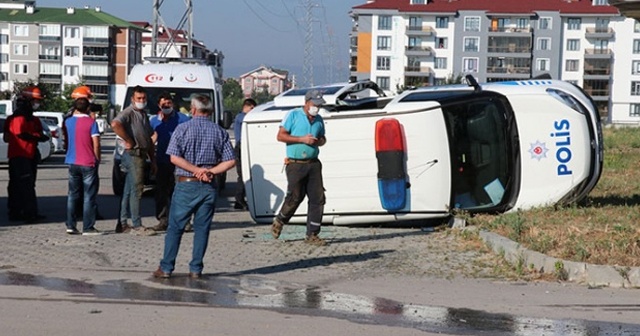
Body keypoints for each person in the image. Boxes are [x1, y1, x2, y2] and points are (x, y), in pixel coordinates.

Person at [153, 94, 235, 279]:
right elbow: (230, 161)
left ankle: (166, 267)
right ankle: (196, 268)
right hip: (208, 185)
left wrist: (195, 170)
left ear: (193, 109)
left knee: (175, 228)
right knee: (202, 228)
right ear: (211, 110)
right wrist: (210, 171)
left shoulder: (182, 129)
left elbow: (174, 157)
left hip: (185, 184)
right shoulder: (220, 132)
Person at [270, 89, 328, 246]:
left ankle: (312, 234)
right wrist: (301, 139)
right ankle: (280, 220)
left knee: (318, 198)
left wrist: (319, 141)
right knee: (295, 197)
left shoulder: (319, 120)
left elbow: (323, 138)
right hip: (295, 164)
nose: (317, 107)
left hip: (313, 163)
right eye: (315, 104)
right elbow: (280, 136)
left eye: (319, 105)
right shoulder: (293, 115)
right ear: (307, 103)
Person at [110, 86, 156, 236]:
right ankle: (137, 224)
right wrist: (128, 140)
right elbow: (115, 124)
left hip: (142, 154)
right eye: (139, 99)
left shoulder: (143, 114)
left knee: (128, 191)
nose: (141, 101)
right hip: (133, 155)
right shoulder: (128, 113)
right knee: (137, 190)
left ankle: (122, 223)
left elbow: (148, 138)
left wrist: (152, 159)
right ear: (132, 99)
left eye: (144, 99)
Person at [6, 86, 49, 223]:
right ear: (28, 101)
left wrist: (38, 137)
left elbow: (8, 137)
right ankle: (27, 213)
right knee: (24, 185)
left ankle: (19, 211)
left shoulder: (30, 119)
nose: (37, 104)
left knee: (24, 184)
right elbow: (19, 134)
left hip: (28, 155)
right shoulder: (18, 118)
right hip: (21, 155)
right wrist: (37, 137)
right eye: (35, 101)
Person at [149, 92, 190, 232]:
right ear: (159, 105)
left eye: (169, 103)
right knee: (161, 192)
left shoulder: (183, 119)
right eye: (163, 104)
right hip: (162, 160)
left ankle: (184, 221)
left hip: (180, 161)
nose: (167, 106)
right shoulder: (154, 121)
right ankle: (163, 220)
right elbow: (151, 140)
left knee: (180, 192)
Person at [64, 96, 103, 235]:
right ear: (88, 108)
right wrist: (97, 158)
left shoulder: (68, 122)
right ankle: (88, 227)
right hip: (88, 161)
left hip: (72, 161)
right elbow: (96, 143)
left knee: (72, 195)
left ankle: (70, 225)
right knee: (89, 196)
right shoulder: (91, 123)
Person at [232, 98, 257, 210]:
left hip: (243, 146)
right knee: (243, 174)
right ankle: (239, 199)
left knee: (244, 174)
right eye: (252, 108)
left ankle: (240, 199)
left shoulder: (241, 117)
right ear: (247, 106)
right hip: (241, 147)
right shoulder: (241, 117)